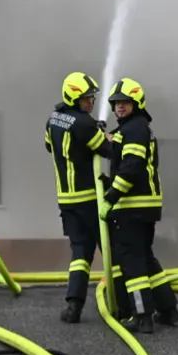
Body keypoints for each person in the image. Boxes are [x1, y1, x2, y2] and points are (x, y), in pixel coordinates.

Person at [99, 78, 178, 334]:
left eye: (125, 102)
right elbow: (121, 153)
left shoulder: (134, 129)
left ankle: (141, 315)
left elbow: (131, 167)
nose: (119, 107)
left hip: (132, 207)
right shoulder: (136, 128)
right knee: (145, 258)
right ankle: (168, 309)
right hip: (145, 206)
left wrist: (111, 197)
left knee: (131, 261)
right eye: (116, 103)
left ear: (137, 103)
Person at [46, 71, 116, 324]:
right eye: (86, 98)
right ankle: (123, 303)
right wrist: (107, 136)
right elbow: (108, 149)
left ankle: (73, 307)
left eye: (92, 97)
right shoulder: (84, 124)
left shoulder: (53, 119)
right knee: (111, 249)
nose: (91, 102)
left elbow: (49, 145)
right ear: (73, 98)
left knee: (80, 254)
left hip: (66, 201)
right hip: (90, 199)